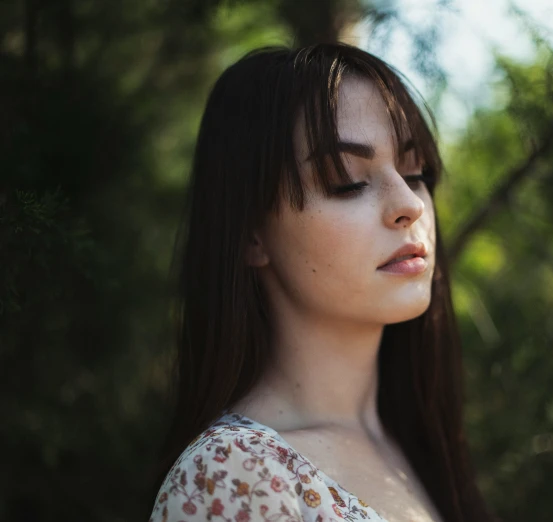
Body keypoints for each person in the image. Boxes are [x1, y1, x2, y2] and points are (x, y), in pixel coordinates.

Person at [149, 42, 493, 522]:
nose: (410, 204)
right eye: (346, 180)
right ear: (251, 234)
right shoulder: (234, 476)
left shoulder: (416, 447)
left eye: (415, 173)